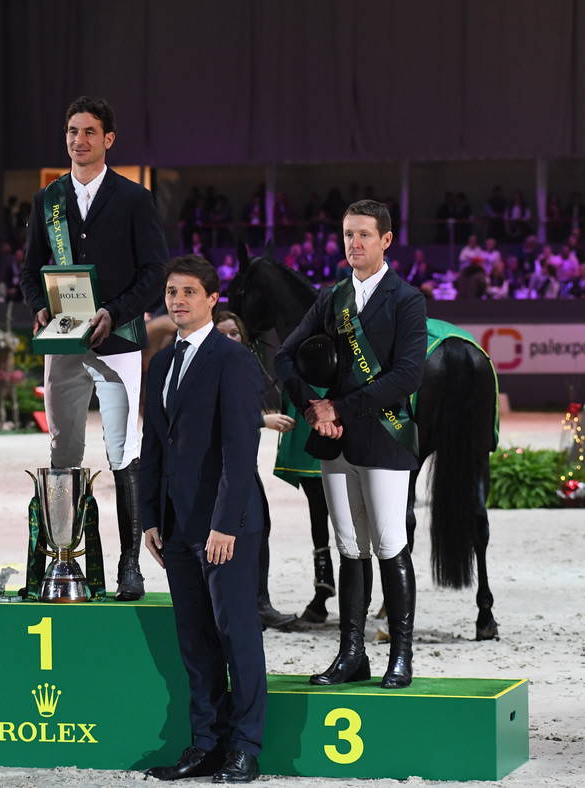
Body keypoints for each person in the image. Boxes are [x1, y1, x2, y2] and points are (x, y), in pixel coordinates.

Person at [274, 199, 426, 689]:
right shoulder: (331, 297)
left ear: (386, 240)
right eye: (347, 235)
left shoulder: (407, 299)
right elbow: (285, 357)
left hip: (384, 437)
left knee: (389, 545)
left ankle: (399, 657)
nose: (354, 244)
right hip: (334, 443)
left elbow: (408, 373)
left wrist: (337, 407)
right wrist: (312, 409)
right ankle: (351, 654)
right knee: (349, 549)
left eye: (364, 235)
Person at [20, 96, 167, 601]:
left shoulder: (134, 199)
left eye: (89, 131)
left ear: (109, 139)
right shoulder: (48, 200)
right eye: (71, 130)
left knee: (123, 450)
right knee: (63, 452)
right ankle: (65, 559)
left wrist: (116, 312)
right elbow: (29, 271)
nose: (78, 139)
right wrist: (39, 305)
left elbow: (154, 273)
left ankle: (130, 565)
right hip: (63, 343)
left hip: (119, 340)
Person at [141, 256, 265, 783]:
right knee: (194, 639)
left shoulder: (233, 360)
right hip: (176, 526)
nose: (178, 300)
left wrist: (226, 524)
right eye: (172, 291)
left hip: (224, 526)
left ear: (213, 298)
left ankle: (245, 748)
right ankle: (206, 743)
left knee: (237, 636)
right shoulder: (162, 362)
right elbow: (153, 446)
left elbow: (241, 449)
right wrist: (149, 516)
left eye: (190, 291)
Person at [212, 310, 299, 631]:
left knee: (259, 529)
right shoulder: (210, 368)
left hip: (244, 463)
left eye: (234, 333)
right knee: (237, 532)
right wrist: (263, 421)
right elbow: (212, 418)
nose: (229, 339)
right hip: (221, 466)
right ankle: (245, 605)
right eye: (222, 334)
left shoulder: (244, 367)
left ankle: (259, 603)